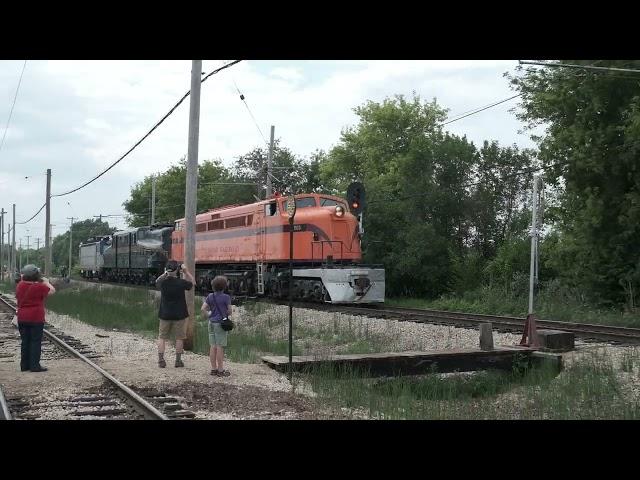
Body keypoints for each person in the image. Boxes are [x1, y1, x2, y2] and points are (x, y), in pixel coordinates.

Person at [15, 264, 56, 372]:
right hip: (36, 318)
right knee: (35, 341)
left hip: (22, 317)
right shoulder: (40, 287)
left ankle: (24, 365)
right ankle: (34, 366)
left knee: (25, 341)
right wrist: (46, 282)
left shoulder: (20, 285)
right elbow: (52, 290)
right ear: (36, 275)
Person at [155, 260, 194, 368]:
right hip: (180, 314)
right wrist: (186, 272)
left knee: (162, 337)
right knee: (179, 338)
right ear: (177, 270)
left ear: (166, 270)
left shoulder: (162, 282)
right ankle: (178, 361)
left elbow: (156, 281)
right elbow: (193, 283)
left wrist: (165, 273)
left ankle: (161, 360)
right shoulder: (181, 283)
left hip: (165, 314)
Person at [201, 276, 232, 377]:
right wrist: (225, 314)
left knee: (212, 346)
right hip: (220, 324)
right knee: (220, 347)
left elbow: (203, 309)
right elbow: (230, 311)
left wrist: (209, 314)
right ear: (224, 286)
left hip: (211, 323)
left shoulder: (210, 296)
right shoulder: (226, 297)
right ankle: (220, 370)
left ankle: (213, 369)